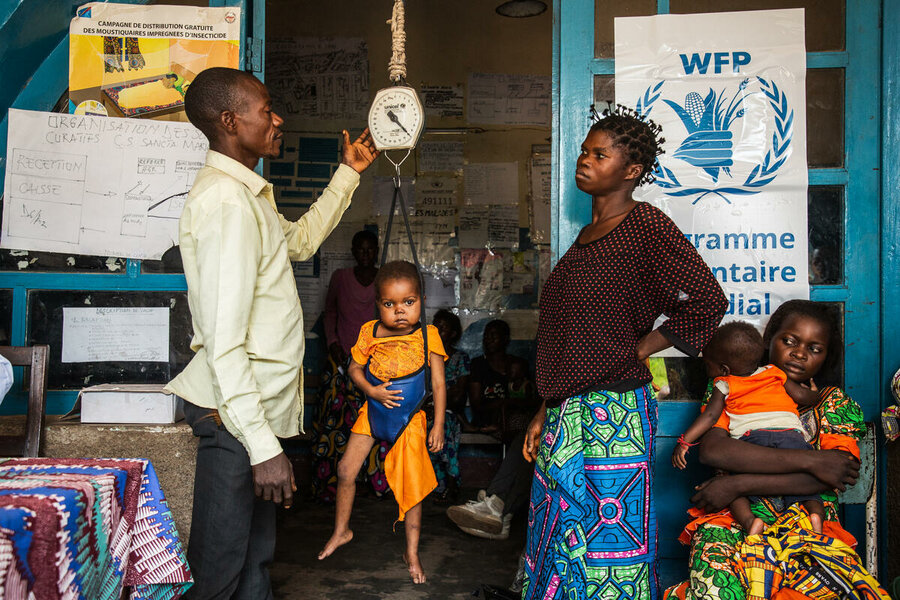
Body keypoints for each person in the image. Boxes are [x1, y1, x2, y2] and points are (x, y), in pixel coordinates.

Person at [164, 67, 378, 600]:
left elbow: (300, 242)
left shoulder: (248, 196)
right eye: (266, 109)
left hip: (249, 415)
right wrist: (263, 448)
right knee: (219, 569)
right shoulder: (226, 204)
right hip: (235, 420)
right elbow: (223, 341)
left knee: (254, 563)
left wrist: (347, 174)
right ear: (232, 121)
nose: (277, 118)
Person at [521, 105, 728, 600]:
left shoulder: (646, 226)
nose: (585, 160)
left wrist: (641, 349)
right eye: (585, 150)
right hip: (568, 411)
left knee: (605, 550)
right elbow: (573, 339)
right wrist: (544, 408)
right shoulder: (584, 238)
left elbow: (707, 301)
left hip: (614, 412)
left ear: (632, 171)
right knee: (557, 540)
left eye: (600, 153)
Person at [664, 299, 887, 600]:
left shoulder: (833, 403)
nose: (799, 353)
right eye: (790, 341)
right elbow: (714, 452)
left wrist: (736, 482)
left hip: (808, 519)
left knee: (820, 584)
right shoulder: (732, 385)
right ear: (769, 341)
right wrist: (813, 461)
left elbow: (837, 473)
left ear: (826, 357)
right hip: (734, 517)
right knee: (716, 586)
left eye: (814, 348)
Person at [318, 261, 447, 584]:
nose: (399, 311)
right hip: (373, 413)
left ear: (422, 300)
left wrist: (438, 425)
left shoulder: (428, 335)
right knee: (346, 471)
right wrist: (371, 390)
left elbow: (439, 384)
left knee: (412, 491)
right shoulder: (370, 332)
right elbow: (353, 369)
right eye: (389, 304)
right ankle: (342, 530)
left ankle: (412, 553)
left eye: (408, 303)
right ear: (377, 305)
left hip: (408, 421)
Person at [672, 321, 825, 535]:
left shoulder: (724, 384)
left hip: (753, 440)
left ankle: (750, 522)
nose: (708, 371)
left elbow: (709, 416)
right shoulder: (774, 373)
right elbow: (802, 396)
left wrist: (685, 441)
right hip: (791, 437)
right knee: (807, 487)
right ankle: (815, 517)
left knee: (731, 486)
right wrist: (815, 393)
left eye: (708, 365)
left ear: (725, 369)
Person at [312, 229, 390, 502]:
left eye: (371, 249)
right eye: (361, 249)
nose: (366, 254)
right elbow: (330, 312)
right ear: (354, 252)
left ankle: (373, 482)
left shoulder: (384, 279)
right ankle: (331, 483)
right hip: (341, 360)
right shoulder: (341, 278)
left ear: (376, 251)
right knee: (335, 420)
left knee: (373, 421)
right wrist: (333, 344)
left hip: (373, 364)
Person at [428, 309, 470, 503]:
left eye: (441, 328)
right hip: (425, 411)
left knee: (442, 426)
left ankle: (450, 485)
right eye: (434, 326)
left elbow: (459, 396)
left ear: (453, 334)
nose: (436, 330)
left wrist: (437, 401)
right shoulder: (423, 357)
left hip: (451, 412)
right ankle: (444, 484)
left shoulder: (460, 358)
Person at [468, 320, 530, 434]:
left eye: (493, 335)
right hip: (486, 420)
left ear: (505, 339)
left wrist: (507, 404)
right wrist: (503, 403)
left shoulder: (517, 365)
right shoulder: (478, 364)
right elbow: (476, 404)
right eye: (486, 335)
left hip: (513, 420)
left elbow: (528, 400)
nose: (488, 339)